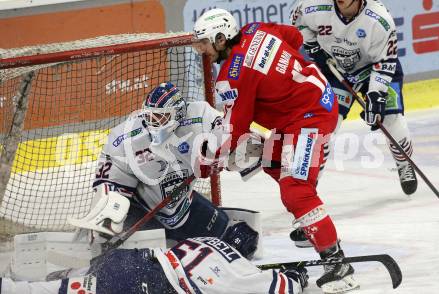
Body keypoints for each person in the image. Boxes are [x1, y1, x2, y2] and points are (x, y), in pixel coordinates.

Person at [192, 8, 359, 293]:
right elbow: (295, 37)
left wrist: (208, 161)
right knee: (267, 159)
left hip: (310, 116)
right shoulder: (256, 29)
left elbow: (235, 130)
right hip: (307, 106)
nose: (201, 51)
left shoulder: (232, 75)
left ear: (221, 39)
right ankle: (310, 218)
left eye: (205, 43)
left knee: (294, 189)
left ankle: (338, 264)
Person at [69, 81, 230, 245]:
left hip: (183, 206)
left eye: (160, 116)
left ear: (178, 114)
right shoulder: (125, 138)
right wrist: (109, 213)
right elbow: (109, 183)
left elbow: (230, 137)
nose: (153, 122)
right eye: (149, 115)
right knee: (142, 263)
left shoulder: (201, 117)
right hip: (143, 213)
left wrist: (218, 153)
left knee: (231, 238)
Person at [290, 0, 417, 196]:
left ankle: (403, 162)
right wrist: (311, 44)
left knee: (393, 121)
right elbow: (297, 20)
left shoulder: (380, 19)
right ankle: (306, 183)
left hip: (373, 70)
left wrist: (376, 95)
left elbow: (385, 61)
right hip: (335, 71)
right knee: (324, 127)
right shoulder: (312, 5)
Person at [0, 222, 309, 294]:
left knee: (65, 286)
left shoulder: (206, 240)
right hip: (144, 282)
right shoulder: (240, 271)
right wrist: (297, 274)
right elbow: (280, 287)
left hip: (130, 261)